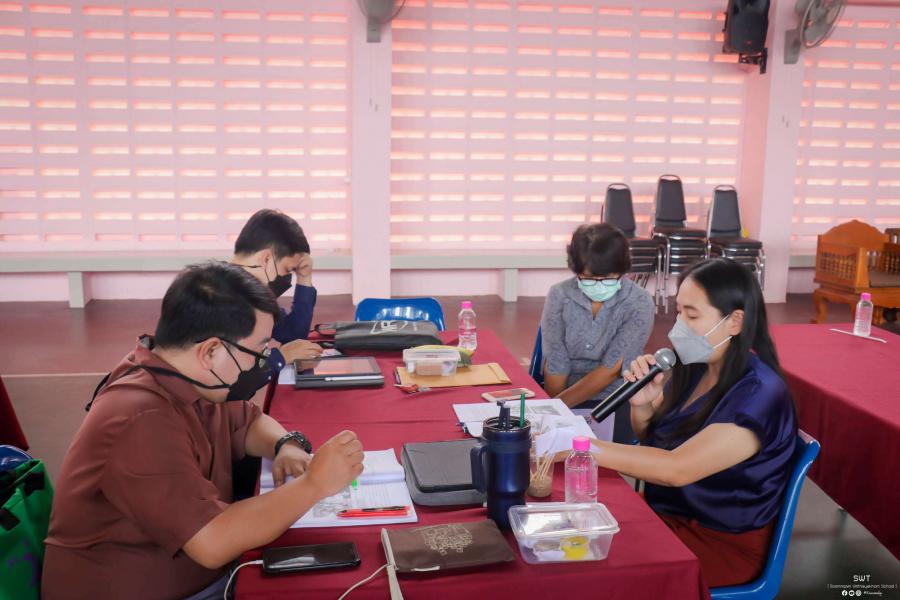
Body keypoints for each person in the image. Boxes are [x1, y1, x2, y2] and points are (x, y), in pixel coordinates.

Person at [42, 262, 364, 600]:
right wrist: (314, 484)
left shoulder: (186, 376)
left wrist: (285, 444)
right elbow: (212, 542)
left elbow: (248, 421)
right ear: (210, 351)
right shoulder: (139, 418)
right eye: (258, 350)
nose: (261, 362)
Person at [588, 258, 797, 587]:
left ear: (735, 322)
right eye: (678, 312)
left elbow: (677, 468)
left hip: (716, 541)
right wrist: (643, 406)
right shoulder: (698, 368)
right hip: (669, 514)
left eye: (692, 315)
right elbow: (656, 441)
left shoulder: (759, 395)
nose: (678, 326)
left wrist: (580, 446)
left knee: (589, 565)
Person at [540, 223, 655, 441]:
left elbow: (612, 368)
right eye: (589, 278)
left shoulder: (639, 302)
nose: (599, 285)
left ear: (622, 270)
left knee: (600, 453)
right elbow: (556, 359)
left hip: (614, 397)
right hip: (562, 390)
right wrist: (557, 411)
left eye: (609, 278)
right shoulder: (559, 295)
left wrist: (558, 408)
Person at [231, 209, 324, 371]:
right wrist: (280, 357)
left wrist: (304, 278)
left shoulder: (252, 295)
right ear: (266, 259)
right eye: (287, 270)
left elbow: (293, 335)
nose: (286, 277)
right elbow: (231, 374)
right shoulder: (214, 296)